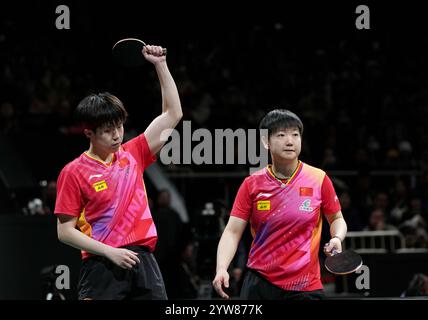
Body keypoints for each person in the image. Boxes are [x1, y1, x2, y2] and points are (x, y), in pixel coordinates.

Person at [54, 45, 182, 300]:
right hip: (102, 266)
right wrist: (109, 252)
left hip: (144, 263)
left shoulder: (134, 153)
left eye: (119, 126)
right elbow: (65, 232)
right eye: (107, 130)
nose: (116, 135)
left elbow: (173, 114)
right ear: (88, 132)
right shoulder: (74, 172)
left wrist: (160, 64)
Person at [212, 109, 347, 300]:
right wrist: (221, 268)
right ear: (266, 141)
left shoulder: (318, 179)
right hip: (259, 282)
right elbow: (232, 232)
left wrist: (337, 238)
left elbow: (337, 219)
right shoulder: (251, 184)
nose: (290, 141)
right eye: (281, 135)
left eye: (295, 134)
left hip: (304, 285)